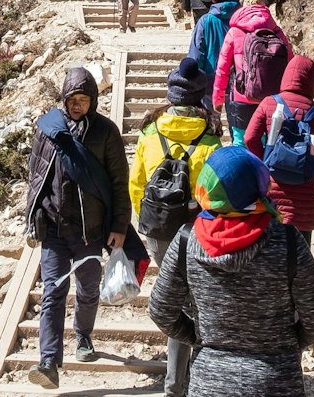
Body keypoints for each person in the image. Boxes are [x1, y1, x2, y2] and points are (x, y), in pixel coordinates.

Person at [147, 146, 314, 397]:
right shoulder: (286, 240)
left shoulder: (186, 242)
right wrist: (287, 345)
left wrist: (199, 339)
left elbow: (161, 310)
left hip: (210, 382)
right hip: (276, 379)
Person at [24, 68, 131, 389]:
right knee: (52, 292)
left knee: (87, 289)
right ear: (64, 98)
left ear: (93, 101)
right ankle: (48, 362)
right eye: (73, 99)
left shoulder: (106, 132)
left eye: (84, 100)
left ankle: (83, 335)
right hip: (54, 229)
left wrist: (119, 226)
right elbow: (35, 177)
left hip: (91, 231)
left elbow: (119, 183)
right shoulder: (48, 129)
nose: (77, 105)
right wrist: (32, 219)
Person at [128, 59, 219, 397]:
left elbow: (136, 184)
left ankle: (174, 386)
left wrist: (149, 221)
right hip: (197, 234)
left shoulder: (150, 133)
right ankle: (193, 379)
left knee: (176, 304)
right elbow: (216, 192)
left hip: (159, 233)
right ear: (199, 96)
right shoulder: (210, 139)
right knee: (197, 303)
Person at [241, 56, 314, 233]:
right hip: (302, 210)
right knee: (299, 251)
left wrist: (266, 163)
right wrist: (308, 171)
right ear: (312, 81)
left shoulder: (269, 103)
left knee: (268, 250)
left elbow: (250, 138)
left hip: (270, 201)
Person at [213, 4, 292, 141]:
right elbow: (291, 65)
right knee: (270, 142)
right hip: (273, 99)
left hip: (242, 97)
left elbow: (222, 70)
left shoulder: (234, 32)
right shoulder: (277, 32)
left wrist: (218, 100)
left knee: (241, 142)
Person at [187, 0, 238, 78]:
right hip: (237, 76)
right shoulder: (243, 17)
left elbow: (197, 52)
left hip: (211, 75)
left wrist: (194, 77)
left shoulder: (206, 20)